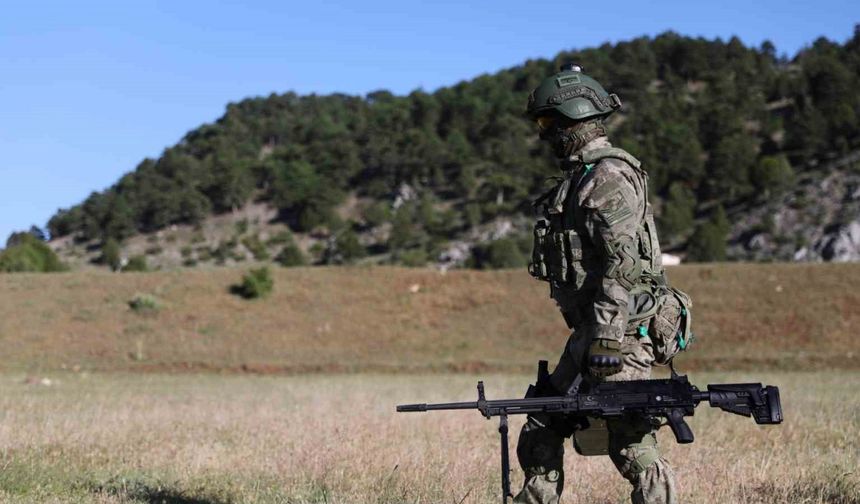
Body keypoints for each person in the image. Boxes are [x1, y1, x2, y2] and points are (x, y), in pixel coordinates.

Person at [517, 63, 693, 504]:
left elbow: (623, 263)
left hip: (623, 328)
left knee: (629, 437)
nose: (544, 135)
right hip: (595, 329)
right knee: (542, 420)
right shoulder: (582, 177)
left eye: (548, 124)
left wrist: (608, 338)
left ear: (573, 118)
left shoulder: (606, 177)